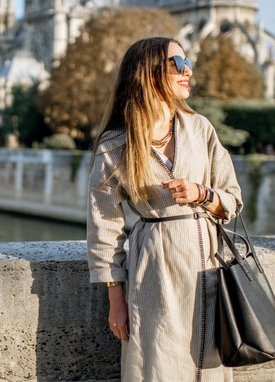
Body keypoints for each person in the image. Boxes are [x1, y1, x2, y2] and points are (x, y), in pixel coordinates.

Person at [87, 36, 243, 381]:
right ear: (149, 72)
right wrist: (116, 300)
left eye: (187, 63)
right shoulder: (116, 143)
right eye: (179, 64)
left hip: (208, 269)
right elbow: (104, 227)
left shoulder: (201, 129)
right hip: (155, 273)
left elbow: (232, 199)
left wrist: (202, 193)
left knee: (208, 368)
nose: (188, 71)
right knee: (156, 367)